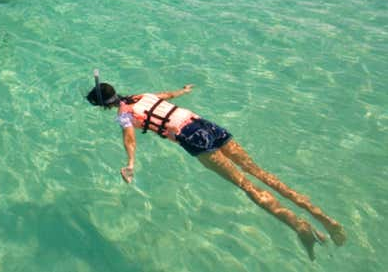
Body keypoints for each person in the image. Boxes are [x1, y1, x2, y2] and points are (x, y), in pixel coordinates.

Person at [86, 70, 345, 260]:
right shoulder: (141, 96)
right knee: (260, 174)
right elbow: (166, 95)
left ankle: (300, 227)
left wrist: (130, 163)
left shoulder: (123, 115)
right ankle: (324, 218)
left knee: (247, 186)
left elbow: (129, 138)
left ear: (102, 106)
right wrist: (183, 91)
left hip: (192, 137)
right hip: (203, 124)